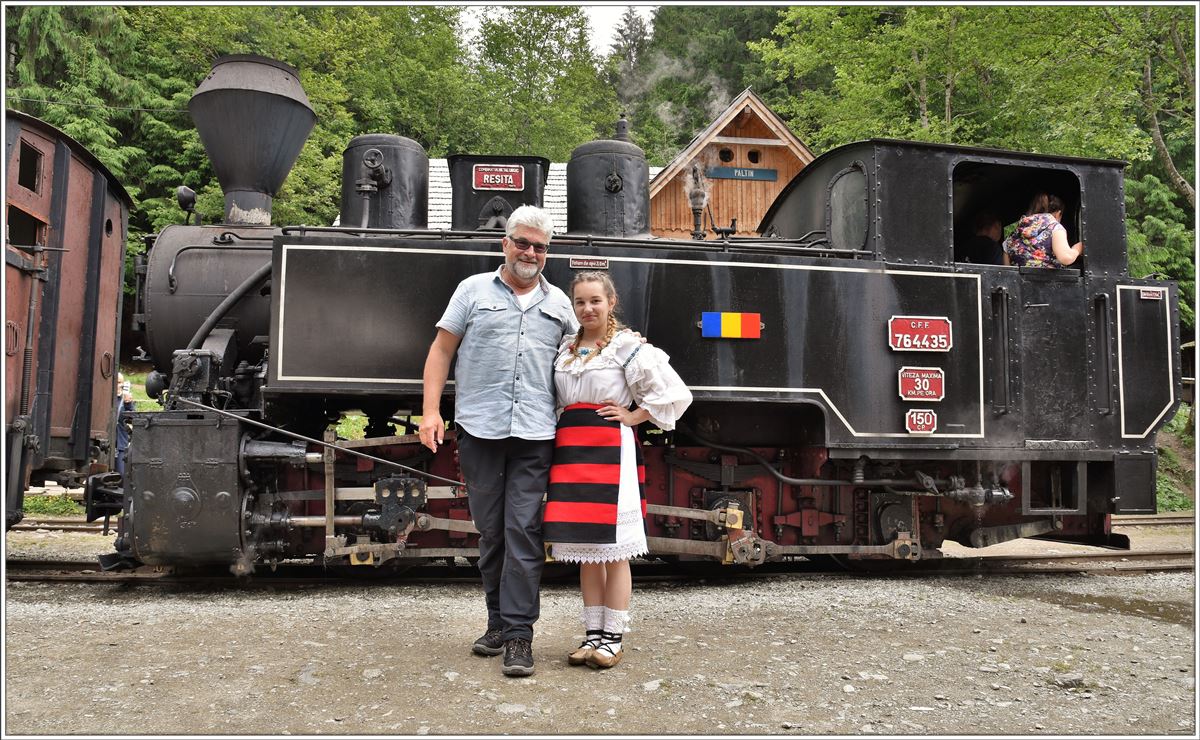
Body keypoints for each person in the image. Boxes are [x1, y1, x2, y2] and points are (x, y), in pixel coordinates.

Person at [418, 205, 576, 678]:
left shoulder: (560, 304)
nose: (530, 252)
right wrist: (431, 411)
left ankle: (519, 635)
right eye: (522, 242)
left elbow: (583, 357)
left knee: (523, 530)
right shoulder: (472, 291)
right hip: (480, 430)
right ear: (505, 243)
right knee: (491, 533)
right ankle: (497, 623)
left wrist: (630, 356)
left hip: (535, 434)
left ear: (547, 252)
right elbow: (441, 350)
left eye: (540, 247)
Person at [544, 271, 692, 670]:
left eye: (595, 300)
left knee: (614, 551)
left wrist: (633, 415)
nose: (587, 308)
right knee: (587, 551)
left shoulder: (627, 347)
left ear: (611, 302)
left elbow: (674, 394)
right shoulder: (565, 348)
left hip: (610, 449)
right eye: (580, 301)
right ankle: (592, 635)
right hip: (571, 452)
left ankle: (613, 638)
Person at [1003, 193, 1084, 268]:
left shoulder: (1015, 232)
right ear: (1058, 213)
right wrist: (1078, 249)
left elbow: (1006, 265)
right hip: (1047, 278)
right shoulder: (1055, 227)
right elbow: (1066, 257)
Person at [114, 373, 135, 476]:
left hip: (120, 444)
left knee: (121, 474)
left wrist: (128, 404)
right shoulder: (105, 397)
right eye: (116, 382)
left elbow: (133, 418)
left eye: (120, 382)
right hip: (105, 444)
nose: (118, 385)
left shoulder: (125, 400)